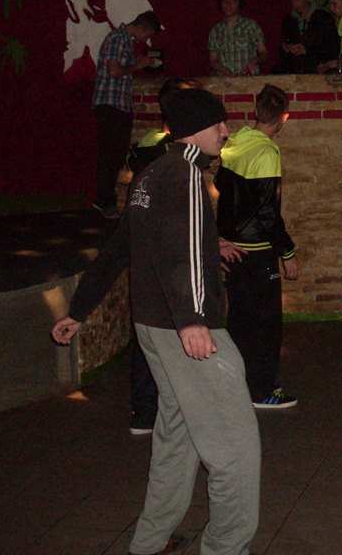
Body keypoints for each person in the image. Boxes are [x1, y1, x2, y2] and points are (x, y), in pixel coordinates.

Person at [51, 87, 261, 555]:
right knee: (235, 449)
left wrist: (79, 310)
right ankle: (226, 548)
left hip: (153, 327)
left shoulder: (150, 175)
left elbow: (121, 248)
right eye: (219, 124)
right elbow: (181, 253)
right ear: (196, 128)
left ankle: (151, 542)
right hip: (186, 330)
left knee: (177, 436)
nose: (226, 132)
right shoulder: (186, 173)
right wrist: (193, 320)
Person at [215, 84, 301, 409]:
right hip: (256, 250)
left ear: (255, 110)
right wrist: (287, 252)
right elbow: (267, 213)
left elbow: (219, 184)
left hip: (230, 248)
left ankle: (237, 384)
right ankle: (261, 390)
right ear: (284, 117)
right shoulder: (267, 152)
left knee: (240, 321)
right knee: (266, 324)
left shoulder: (234, 140)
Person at [124, 76, 201, 437]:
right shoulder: (174, 158)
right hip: (165, 257)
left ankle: (144, 410)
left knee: (147, 337)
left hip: (144, 256)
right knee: (167, 335)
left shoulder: (147, 145)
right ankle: (164, 411)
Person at [91, 10, 160, 219]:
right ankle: (104, 201)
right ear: (142, 28)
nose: (145, 40)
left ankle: (104, 200)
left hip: (116, 105)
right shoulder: (118, 39)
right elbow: (114, 71)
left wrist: (136, 64)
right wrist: (137, 65)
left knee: (114, 154)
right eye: (147, 35)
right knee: (111, 155)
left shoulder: (123, 40)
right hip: (110, 104)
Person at [277, 0, 339, 73]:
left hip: (319, 70)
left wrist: (307, 50)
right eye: (291, 0)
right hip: (295, 71)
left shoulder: (323, 18)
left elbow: (332, 48)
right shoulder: (289, 20)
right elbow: (282, 50)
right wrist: (286, 48)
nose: (294, 4)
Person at [208, 0, 268, 76]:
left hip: (249, 79)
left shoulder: (250, 26)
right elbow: (213, 60)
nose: (229, 4)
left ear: (239, 3)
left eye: (233, 1)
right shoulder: (216, 30)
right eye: (225, 1)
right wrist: (223, 69)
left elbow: (264, 53)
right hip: (225, 80)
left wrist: (254, 62)